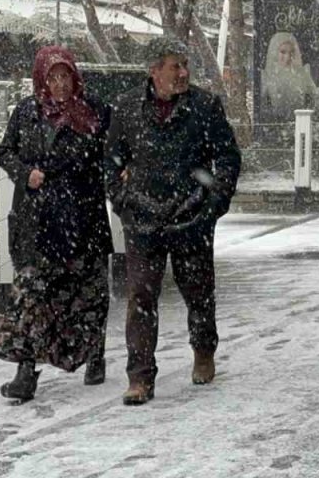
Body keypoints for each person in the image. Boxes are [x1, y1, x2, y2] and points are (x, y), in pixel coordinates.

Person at [106, 37, 242, 406]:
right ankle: (139, 376)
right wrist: (124, 202)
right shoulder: (128, 107)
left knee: (198, 293)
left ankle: (203, 350)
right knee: (141, 298)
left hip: (191, 217)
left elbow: (228, 158)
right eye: (174, 66)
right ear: (154, 71)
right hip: (144, 219)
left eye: (185, 65)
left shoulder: (203, 106)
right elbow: (112, 161)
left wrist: (213, 204)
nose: (182, 73)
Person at [0, 46, 113, 402]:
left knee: (87, 293)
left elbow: (114, 154)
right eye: (52, 77)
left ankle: (94, 353)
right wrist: (27, 174)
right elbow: (5, 151)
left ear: (75, 77)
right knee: (30, 295)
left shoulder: (94, 111)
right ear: (42, 78)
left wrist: (97, 180)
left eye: (65, 76)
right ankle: (25, 372)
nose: (59, 85)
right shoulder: (26, 112)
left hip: (82, 217)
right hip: (37, 220)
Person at [262, 32, 316, 118]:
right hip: (274, 125)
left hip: (301, 123)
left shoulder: (303, 75)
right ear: (274, 52)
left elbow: (313, 102)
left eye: (291, 53)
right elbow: (262, 108)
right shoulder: (266, 76)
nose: (287, 57)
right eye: (283, 52)